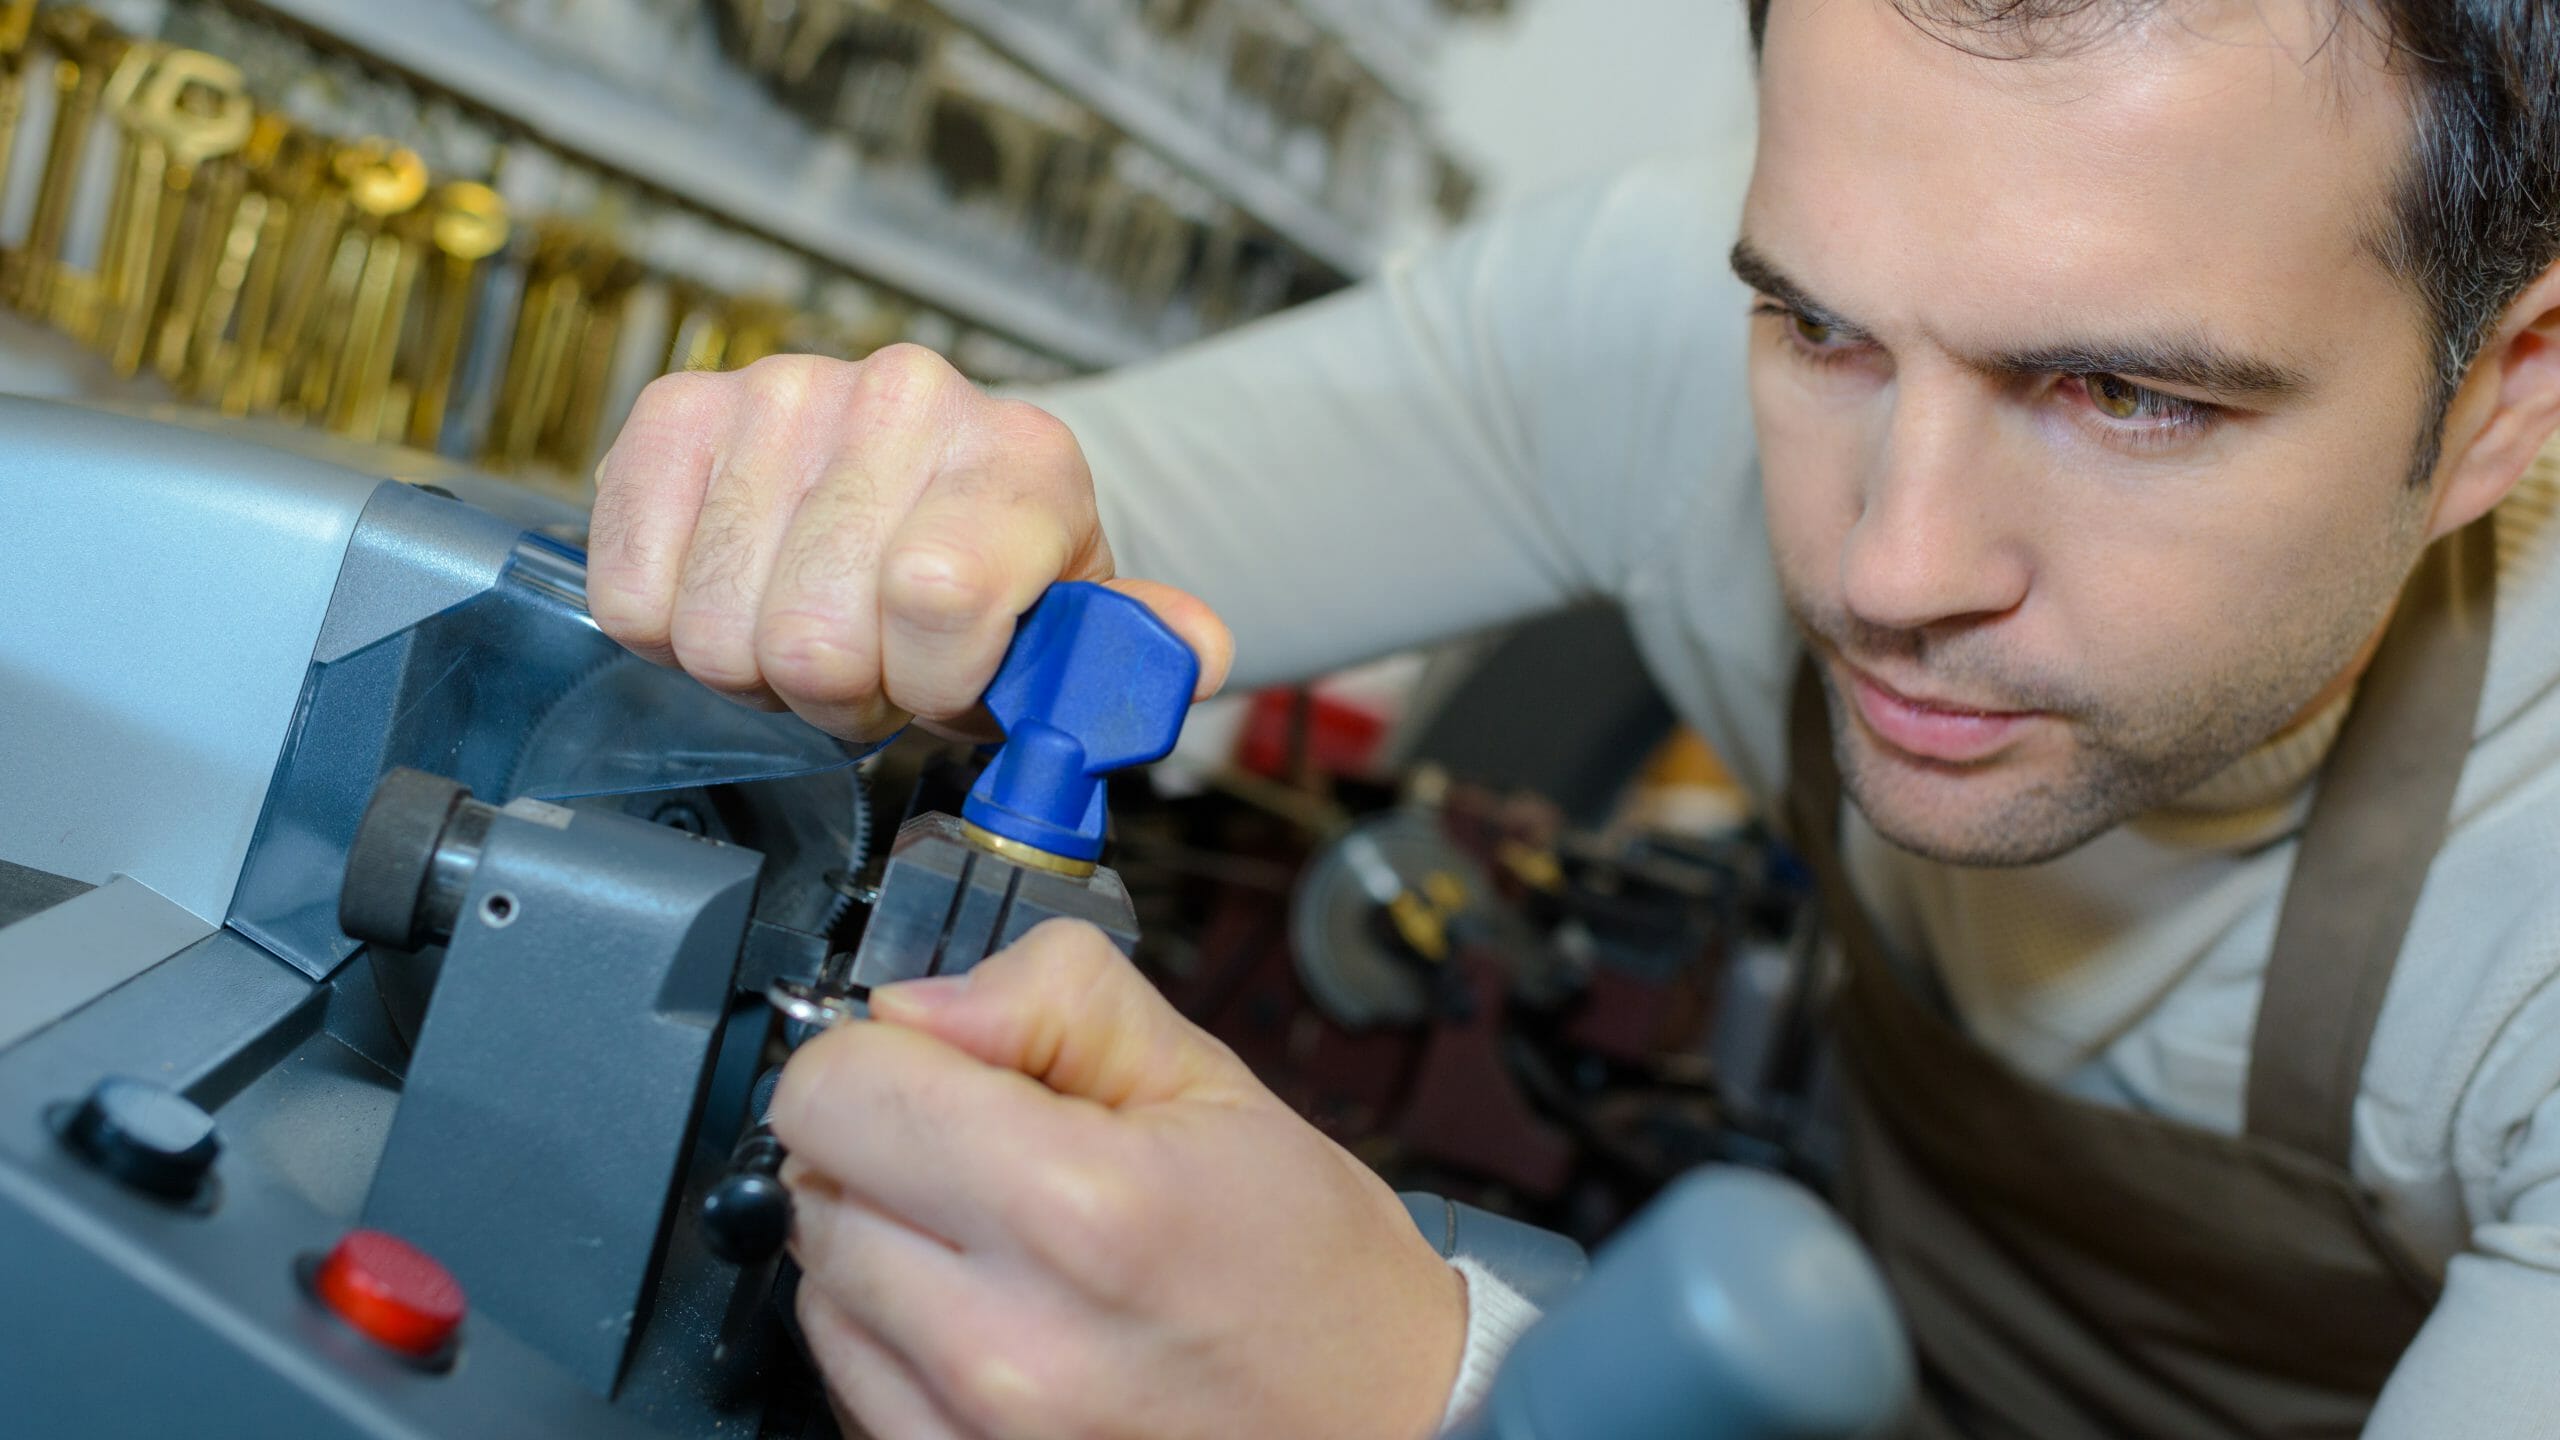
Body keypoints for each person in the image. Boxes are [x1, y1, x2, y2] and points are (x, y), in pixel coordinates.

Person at [584, 0, 2560, 1433]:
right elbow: (1017, 540)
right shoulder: (1663, 324)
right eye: (1820, 330)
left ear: (2501, 393)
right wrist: (847, 494)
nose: (1889, 565)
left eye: (2129, 398)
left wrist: (1439, 1391)